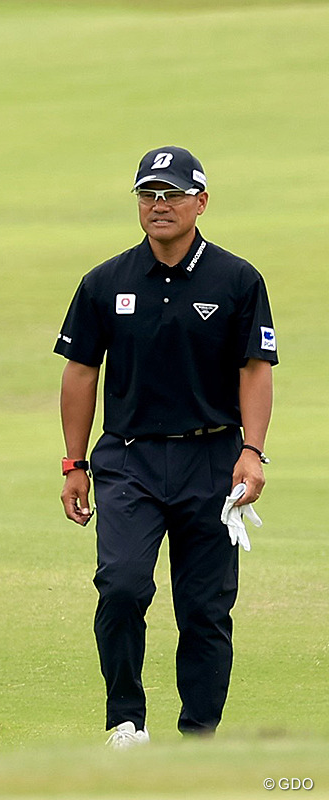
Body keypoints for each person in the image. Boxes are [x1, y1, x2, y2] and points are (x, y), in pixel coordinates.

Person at [55, 146, 277, 747]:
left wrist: (253, 452)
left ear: (200, 203)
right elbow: (80, 372)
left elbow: (255, 369)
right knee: (122, 586)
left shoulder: (237, 280)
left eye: (173, 194)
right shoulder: (105, 282)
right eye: (149, 194)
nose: (160, 205)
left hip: (213, 459)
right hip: (130, 459)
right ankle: (126, 720)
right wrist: (74, 463)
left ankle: (198, 737)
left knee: (204, 609)